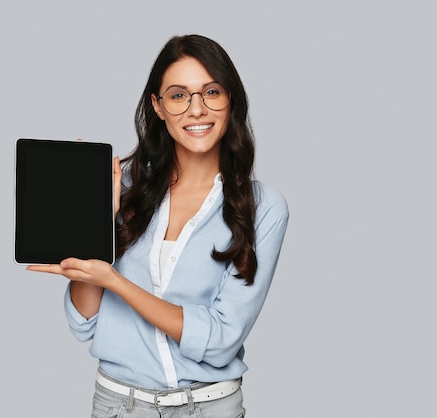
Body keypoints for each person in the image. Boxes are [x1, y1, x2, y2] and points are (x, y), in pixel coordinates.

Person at [27, 34, 289, 418]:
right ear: (158, 106)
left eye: (211, 92)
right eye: (179, 95)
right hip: (119, 406)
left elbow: (220, 340)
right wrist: (91, 223)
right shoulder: (124, 187)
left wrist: (116, 282)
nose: (196, 110)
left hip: (209, 408)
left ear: (230, 100)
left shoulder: (263, 208)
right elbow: (85, 323)